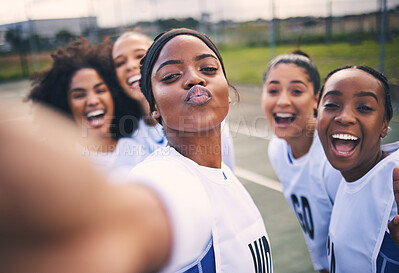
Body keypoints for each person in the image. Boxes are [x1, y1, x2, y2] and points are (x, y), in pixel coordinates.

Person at [0, 28, 273, 273]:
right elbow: (124, 232)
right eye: (171, 75)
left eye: (209, 69)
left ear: (228, 91)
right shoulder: (165, 178)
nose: (194, 78)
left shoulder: (222, 173)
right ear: (153, 107)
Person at [261, 51, 341, 273]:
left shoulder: (333, 159)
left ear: (317, 98)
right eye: (273, 90)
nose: (283, 100)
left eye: (296, 91)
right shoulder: (277, 150)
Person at [110, 31, 236, 170]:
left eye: (140, 56)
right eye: (120, 63)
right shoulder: (124, 134)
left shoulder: (207, 118)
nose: (131, 65)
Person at [317, 65, 399, 272]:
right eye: (331, 104)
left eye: (364, 107)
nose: (344, 117)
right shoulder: (339, 176)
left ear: (384, 125)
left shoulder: (395, 182)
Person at [25, 37, 148, 176]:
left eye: (100, 90)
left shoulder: (137, 151)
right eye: (79, 95)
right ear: (65, 105)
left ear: (114, 96)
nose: (92, 101)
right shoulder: (58, 160)